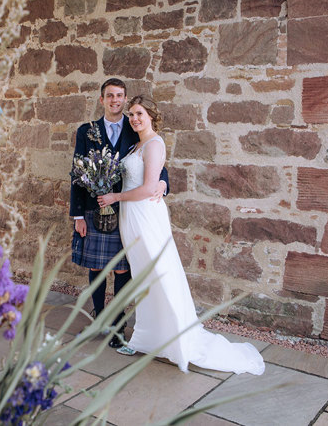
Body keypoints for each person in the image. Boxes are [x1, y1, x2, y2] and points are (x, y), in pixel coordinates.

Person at [97, 95, 265, 375]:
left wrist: (116, 196)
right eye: (132, 114)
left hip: (146, 217)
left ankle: (176, 340)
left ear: (151, 116)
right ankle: (147, 338)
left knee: (160, 274)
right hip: (131, 218)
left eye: (140, 113)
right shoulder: (135, 144)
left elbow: (151, 187)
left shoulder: (154, 143)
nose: (135, 118)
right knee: (144, 278)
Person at [70, 78, 169, 348]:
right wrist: (78, 215)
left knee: (123, 270)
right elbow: (76, 174)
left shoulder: (135, 126)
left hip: (125, 210)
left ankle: (117, 325)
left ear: (125, 100)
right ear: (102, 100)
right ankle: (99, 319)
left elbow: (156, 162)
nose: (115, 100)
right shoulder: (86, 131)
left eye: (120, 96)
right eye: (110, 95)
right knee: (96, 267)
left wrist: (163, 183)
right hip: (94, 208)